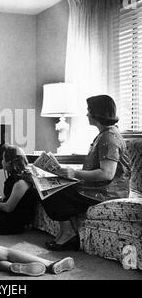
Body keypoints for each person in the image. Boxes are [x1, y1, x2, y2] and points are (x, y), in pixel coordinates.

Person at [41, 95, 131, 251]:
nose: (87, 114)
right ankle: (66, 233)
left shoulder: (109, 137)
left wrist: (74, 173)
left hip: (107, 192)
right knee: (48, 187)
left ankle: (68, 233)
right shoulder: (104, 134)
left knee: (51, 192)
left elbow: (107, 174)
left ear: (98, 112)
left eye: (89, 110)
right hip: (98, 188)